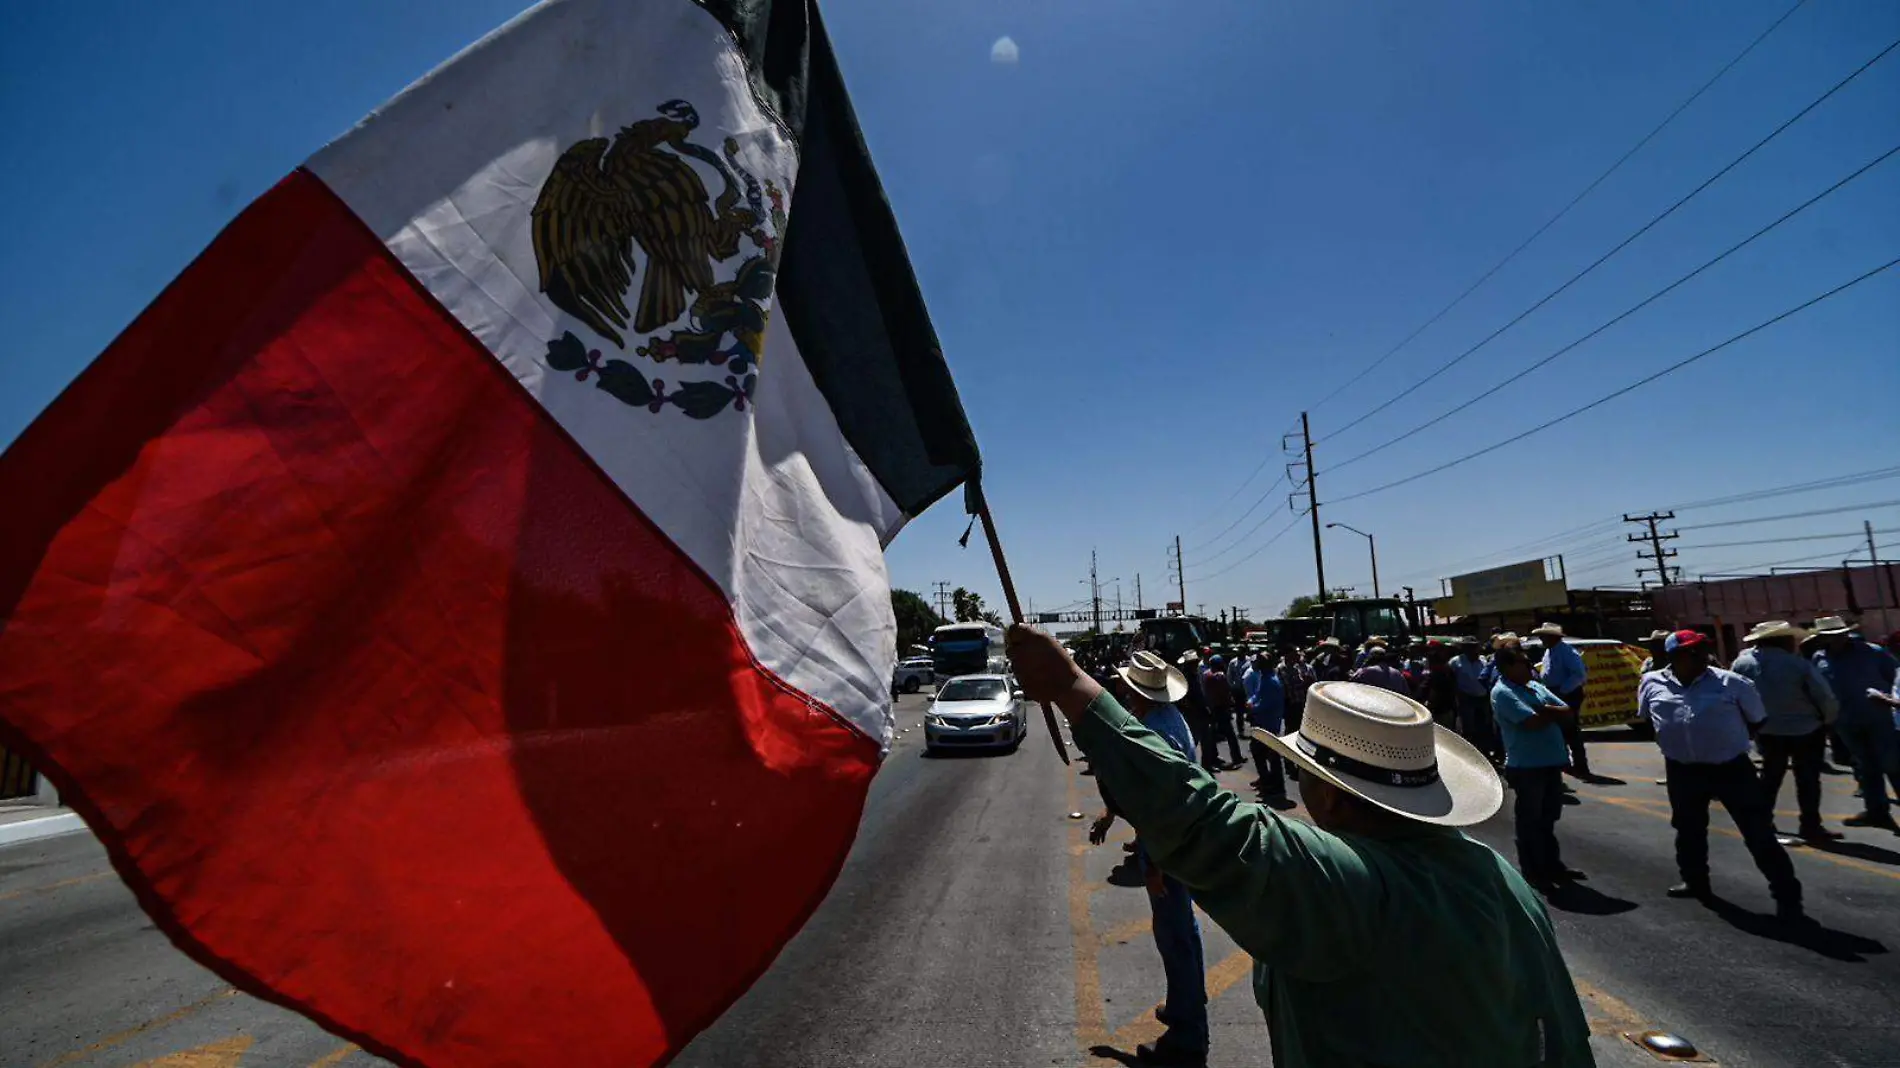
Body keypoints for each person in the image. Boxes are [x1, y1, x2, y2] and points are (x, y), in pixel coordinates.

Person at [1006, 625, 1593, 1067]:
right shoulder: (1496, 874)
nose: (1297, 782)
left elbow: (1203, 822)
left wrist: (1070, 686)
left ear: (1334, 799)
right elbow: (1566, 1036)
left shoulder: (1356, 883)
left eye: (1304, 772)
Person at [1083, 651, 1210, 1066]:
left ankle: (1187, 1038)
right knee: (1183, 933)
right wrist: (1111, 810)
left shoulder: (1153, 732)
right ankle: (1183, 1006)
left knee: (1175, 939)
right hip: (1180, 843)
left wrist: (1154, 864)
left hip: (1167, 848)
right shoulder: (1171, 719)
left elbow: (1160, 806)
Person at [1639, 630, 1804, 920]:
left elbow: (1757, 720)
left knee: (1758, 832)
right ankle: (1694, 880)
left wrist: (1722, 741)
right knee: (1688, 829)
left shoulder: (1733, 683)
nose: (1701, 656)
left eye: (1703, 650)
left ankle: (1787, 895)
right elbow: (1647, 717)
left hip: (1731, 768)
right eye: (1692, 652)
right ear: (1674, 657)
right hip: (1681, 769)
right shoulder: (1651, 682)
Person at [1729, 621, 1841, 843]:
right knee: (1807, 780)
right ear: (1781, 640)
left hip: (1766, 729)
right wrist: (1828, 720)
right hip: (1805, 729)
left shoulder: (1741, 664)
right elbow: (1824, 696)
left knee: (1770, 778)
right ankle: (1810, 826)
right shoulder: (1797, 664)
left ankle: (1763, 822)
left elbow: (1733, 695)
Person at [1491, 645, 1579, 887]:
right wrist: (1550, 712)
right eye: (1522, 662)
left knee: (1548, 818)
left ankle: (1552, 865)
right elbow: (1531, 722)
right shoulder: (1503, 693)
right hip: (1527, 766)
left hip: (1550, 763)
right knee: (1530, 821)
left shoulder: (1534, 687)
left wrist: (1545, 710)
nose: (1530, 666)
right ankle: (1533, 871)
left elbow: (1568, 712)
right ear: (1508, 666)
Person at [1811, 615, 1900, 829]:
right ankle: (1876, 812)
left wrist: (1888, 700)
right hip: (1847, 722)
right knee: (1865, 767)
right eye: (1831, 636)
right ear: (1823, 638)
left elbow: (1895, 677)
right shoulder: (1819, 658)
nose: (1838, 639)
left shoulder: (1873, 653)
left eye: (1840, 635)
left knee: (1894, 766)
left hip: (1881, 720)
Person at [1532, 623, 1591, 778]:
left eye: (1543, 636)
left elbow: (1579, 675)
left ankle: (1581, 766)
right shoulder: (1549, 652)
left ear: (1553, 637)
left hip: (1567, 694)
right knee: (1559, 731)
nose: (1541, 639)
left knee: (1571, 731)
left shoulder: (1567, 652)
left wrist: (1562, 691)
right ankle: (1565, 763)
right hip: (1554, 693)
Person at [1244, 650, 1287, 797]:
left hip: (1269, 724)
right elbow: (1258, 694)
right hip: (1262, 721)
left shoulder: (1271, 681)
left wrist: (1253, 708)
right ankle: (1266, 780)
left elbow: (1267, 704)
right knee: (1261, 752)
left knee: (1269, 754)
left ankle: (1274, 785)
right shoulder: (1265, 677)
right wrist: (1250, 702)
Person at [1452, 637, 1498, 760]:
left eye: (1474, 646)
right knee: (1469, 727)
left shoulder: (1483, 661)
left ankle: (1486, 752)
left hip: (1483, 698)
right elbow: (1452, 680)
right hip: (1466, 699)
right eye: (1469, 647)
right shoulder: (1456, 662)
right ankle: (1471, 755)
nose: (1473, 649)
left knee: (1485, 726)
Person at [1201, 654, 1245, 770]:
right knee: (1230, 735)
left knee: (1211, 735)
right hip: (1221, 708)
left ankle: (1213, 758)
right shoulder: (1219, 676)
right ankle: (1236, 758)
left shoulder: (1205, 674)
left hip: (1211, 708)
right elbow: (1226, 692)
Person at [1176, 650, 1216, 772]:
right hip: (1193, 714)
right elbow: (1183, 699)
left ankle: (1206, 766)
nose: (1195, 664)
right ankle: (1187, 766)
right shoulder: (1185, 679)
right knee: (1192, 741)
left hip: (1201, 712)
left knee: (1206, 740)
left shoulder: (1196, 675)